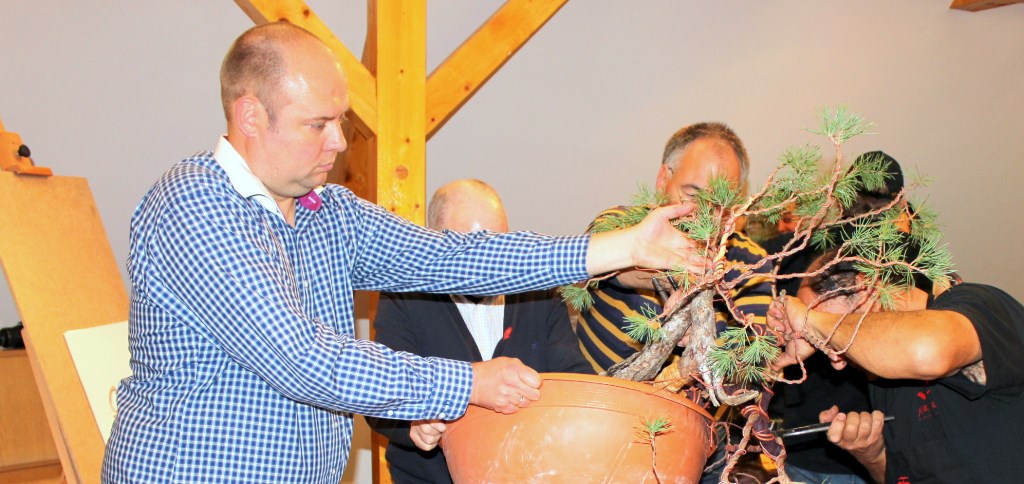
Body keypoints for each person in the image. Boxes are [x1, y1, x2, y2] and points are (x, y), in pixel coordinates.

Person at [101, 22, 704, 483]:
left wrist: (625, 245)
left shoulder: (327, 212)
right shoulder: (196, 204)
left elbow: (455, 258)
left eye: (341, 121)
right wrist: (466, 382)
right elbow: (305, 360)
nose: (339, 143)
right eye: (318, 124)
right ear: (251, 116)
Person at [365, 179, 594, 483]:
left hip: (529, 473)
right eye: (470, 247)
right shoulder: (403, 297)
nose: (485, 260)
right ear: (434, 241)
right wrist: (412, 422)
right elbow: (378, 394)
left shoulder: (538, 293)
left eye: (496, 243)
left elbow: (573, 378)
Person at [772, 250, 1024, 483]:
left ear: (866, 288)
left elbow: (928, 352)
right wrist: (871, 453)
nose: (837, 363)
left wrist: (809, 321)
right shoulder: (881, 378)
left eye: (832, 330)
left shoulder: (979, 304)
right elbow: (899, 476)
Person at [575, 122, 773, 374]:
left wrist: (706, 343)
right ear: (663, 179)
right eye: (692, 195)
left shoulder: (751, 262)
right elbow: (604, 265)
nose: (704, 215)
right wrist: (674, 277)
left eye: (720, 203)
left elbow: (750, 357)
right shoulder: (620, 225)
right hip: (597, 396)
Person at [768, 151, 910, 484]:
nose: (867, 212)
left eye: (875, 202)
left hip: (861, 448)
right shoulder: (904, 264)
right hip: (814, 442)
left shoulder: (905, 264)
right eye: (866, 200)